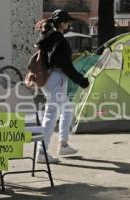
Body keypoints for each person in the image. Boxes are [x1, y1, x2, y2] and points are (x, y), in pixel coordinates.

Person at [34, 9, 90, 163]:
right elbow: (64, 64)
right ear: (61, 23)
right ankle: (41, 153)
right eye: (67, 22)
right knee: (51, 116)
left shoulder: (49, 36)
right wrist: (81, 80)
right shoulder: (58, 39)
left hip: (50, 80)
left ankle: (63, 144)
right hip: (57, 80)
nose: (68, 25)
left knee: (67, 109)